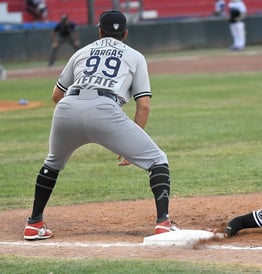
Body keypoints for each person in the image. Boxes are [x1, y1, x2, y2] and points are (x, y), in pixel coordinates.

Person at [23, 10, 179, 240]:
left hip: (67, 108)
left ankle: (34, 223)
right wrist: (127, 142)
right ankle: (163, 223)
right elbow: (143, 105)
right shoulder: (135, 56)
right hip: (105, 108)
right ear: (125, 33)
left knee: (53, 163)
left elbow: (57, 95)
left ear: (99, 32)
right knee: (157, 160)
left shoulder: (81, 52)